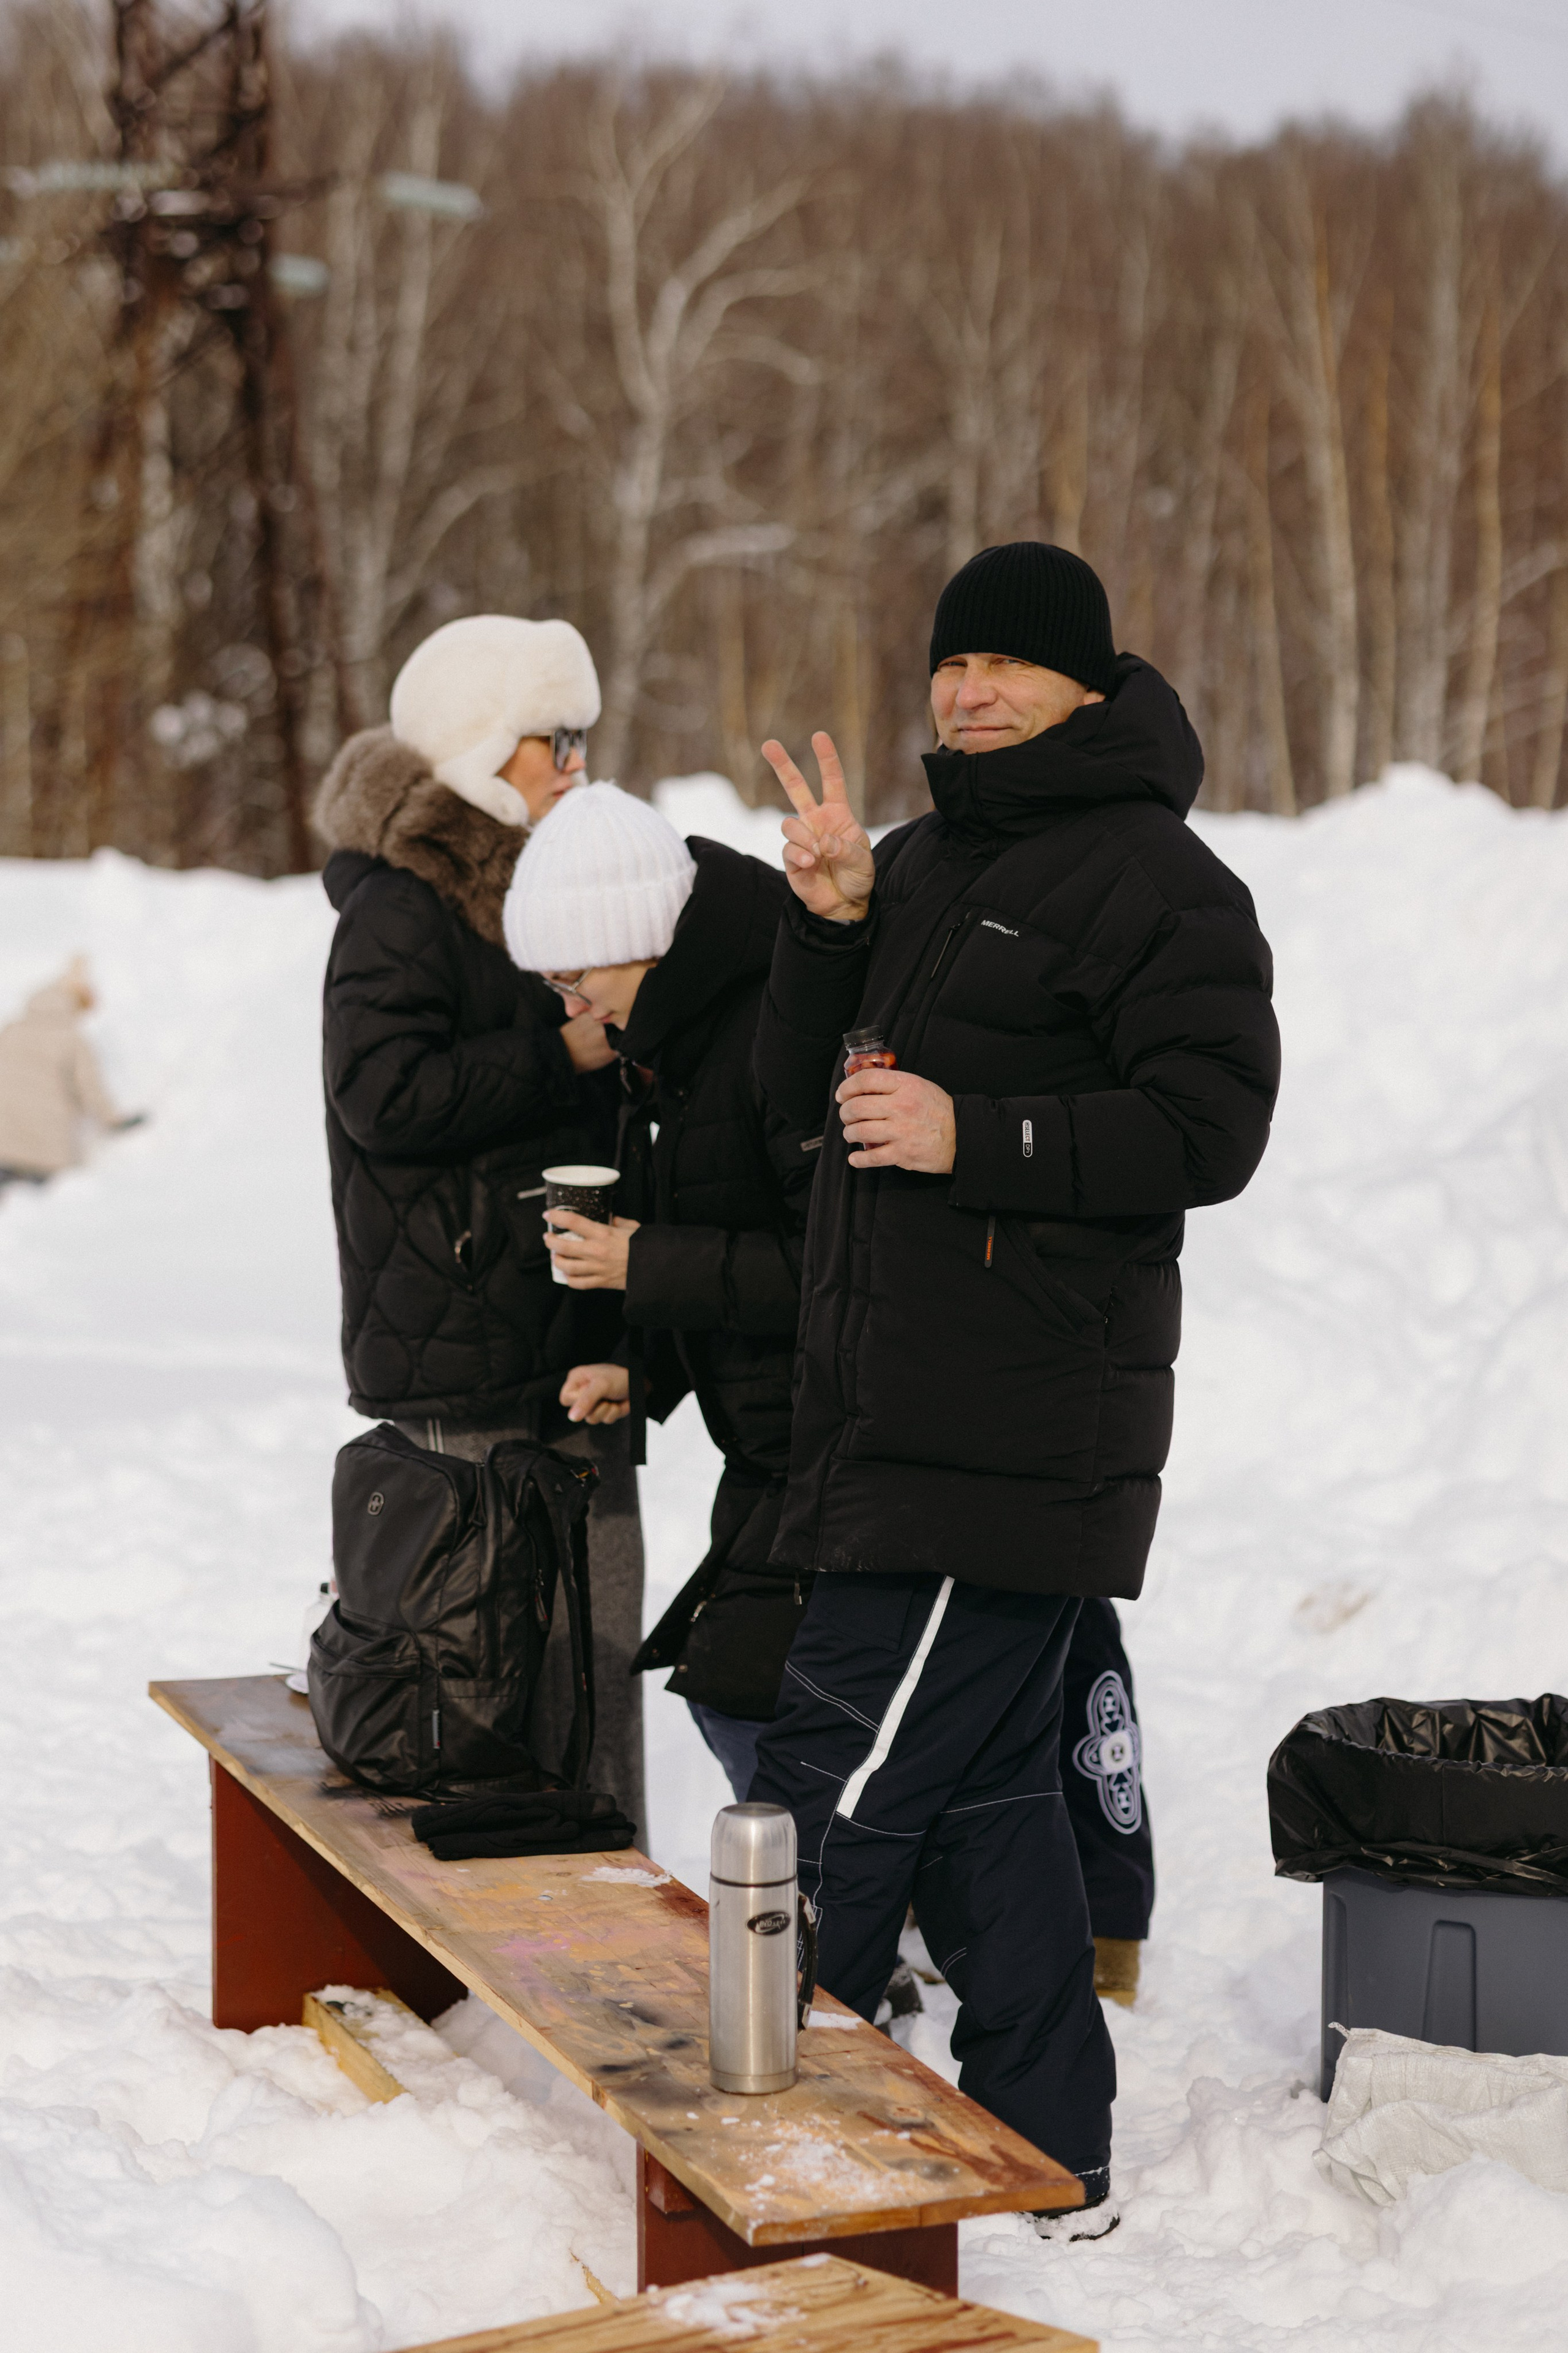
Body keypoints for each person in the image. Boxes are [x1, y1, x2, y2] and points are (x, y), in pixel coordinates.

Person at [749, 540, 1281, 2238]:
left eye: (1002, 667)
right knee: (984, 1810)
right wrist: (829, 926)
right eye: (946, 667)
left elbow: (1212, 1130)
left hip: (1007, 1434)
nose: (963, 692)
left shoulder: (1160, 883)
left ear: (1085, 684)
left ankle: (777, 2170)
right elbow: (790, 1101)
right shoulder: (916, 863)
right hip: (888, 1421)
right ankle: (1058, 2164)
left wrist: (985, 1135)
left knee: (826, 1799)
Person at [312, 614, 646, 1839]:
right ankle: (508, 1893)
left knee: (591, 1633)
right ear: (471, 752)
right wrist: (559, 1054)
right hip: (456, 1341)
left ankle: (605, 1860)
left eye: (579, 740)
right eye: (551, 741)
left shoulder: (533, 891)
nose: (575, 766)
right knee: (475, 1653)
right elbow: (381, 1095)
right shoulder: (404, 910)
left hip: (561, 1316)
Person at [499, 782, 818, 1807]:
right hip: (772, 1446)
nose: (572, 1007)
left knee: (752, 1704)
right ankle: (866, 1926)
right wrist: (644, 1369)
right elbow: (726, 1224)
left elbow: (842, 1270)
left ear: (642, 937)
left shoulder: (775, 1028)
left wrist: (646, 1267)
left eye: (577, 975)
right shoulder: (672, 1042)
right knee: (755, 1706)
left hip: (840, 1446)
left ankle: (850, 1932)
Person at [0, 956, 140, 1188]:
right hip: (44, 1149)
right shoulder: (73, 1040)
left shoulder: (10, 1029)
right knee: (45, 1215)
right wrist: (113, 1122)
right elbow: (90, 1088)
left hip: (3, 1141)